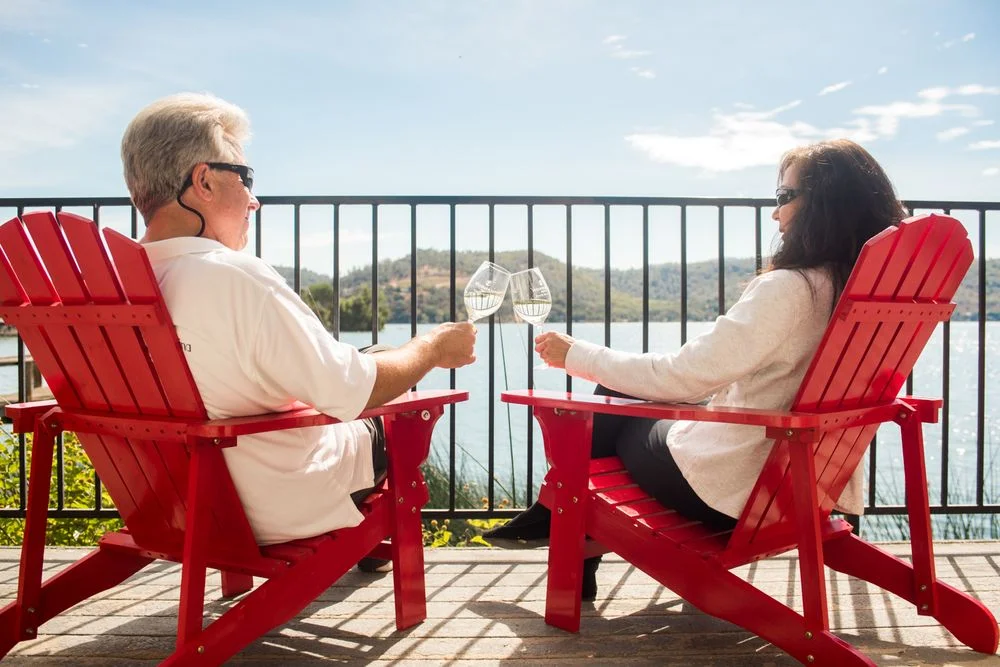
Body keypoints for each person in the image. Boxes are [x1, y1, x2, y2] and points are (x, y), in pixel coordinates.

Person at [485, 138, 907, 600]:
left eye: (785, 197)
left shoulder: (791, 289)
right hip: (806, 488)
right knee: (632, 394)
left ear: (825, 202)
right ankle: (555, 521)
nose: (775, 213)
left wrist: (577, 355)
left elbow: (683, 377)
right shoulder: (870, 295)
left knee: (618, 405)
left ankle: (562, 527)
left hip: (732, 493)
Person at [121, 93, 477, 569]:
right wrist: (431, 347)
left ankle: (366, 542)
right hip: (272, 500)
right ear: (202, 180)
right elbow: (350, 389)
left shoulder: (115, 287)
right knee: (398, 397)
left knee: (373, 352)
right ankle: (371, 535)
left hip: (170, 500)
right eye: (245, 178)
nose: (255, 199)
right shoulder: (236, 279)